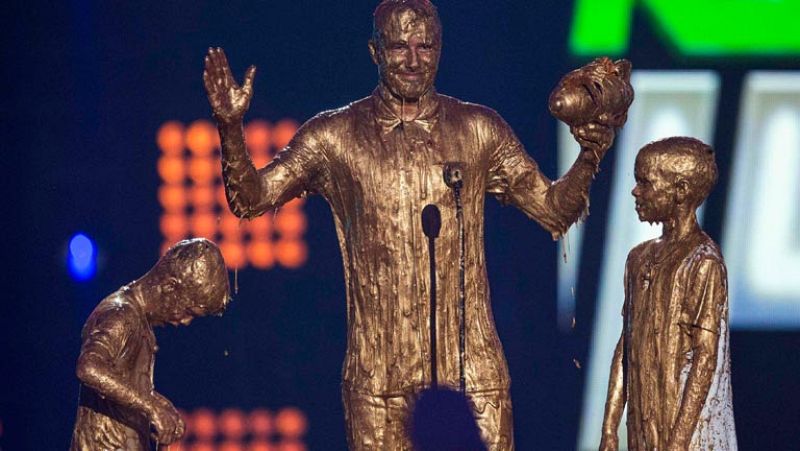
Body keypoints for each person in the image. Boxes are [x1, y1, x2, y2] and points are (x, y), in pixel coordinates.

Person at [203, 1, 618, 449]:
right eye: (400, 47)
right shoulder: (333, 136)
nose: (414, 60)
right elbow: (251, 200)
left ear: (441, 49)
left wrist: (589, 155)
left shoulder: (479, 129)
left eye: (426, 46)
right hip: (379, 384)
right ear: (374, 51)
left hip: (471, 378)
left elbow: (553, 211)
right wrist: (230, 127)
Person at [599, 137, 737, 451]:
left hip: (683, 433)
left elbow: (705, 358)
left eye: (645, 183)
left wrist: (677, 443)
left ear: (680, 190)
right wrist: (609, 428)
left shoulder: (703, 262)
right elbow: (627, 344)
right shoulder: (638, 258)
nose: (635, 191)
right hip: (642, 427)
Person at [70, 238, 231, 450]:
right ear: (170, 287)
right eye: (188, 311)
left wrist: (158, 405)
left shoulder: (138, 320)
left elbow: (120, 385)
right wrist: (150, 405)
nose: (185, 321)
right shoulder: (120, 315)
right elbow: (89, 367)